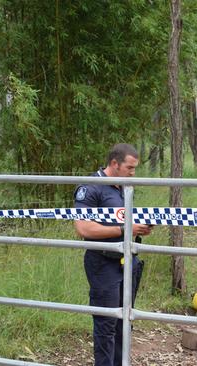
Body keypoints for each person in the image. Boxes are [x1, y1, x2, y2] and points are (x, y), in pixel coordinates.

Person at [73, 143, 153, 366]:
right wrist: (125, 229)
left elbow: (122, 220)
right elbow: (83, 228)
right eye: (129, 167)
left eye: (135, 168)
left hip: (127, 261)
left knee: (124, 321)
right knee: (106, 324)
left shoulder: (124, 187)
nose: (133, 173)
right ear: (114, 164)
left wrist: (138, 228)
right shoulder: (92, 187)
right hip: (103, 262)